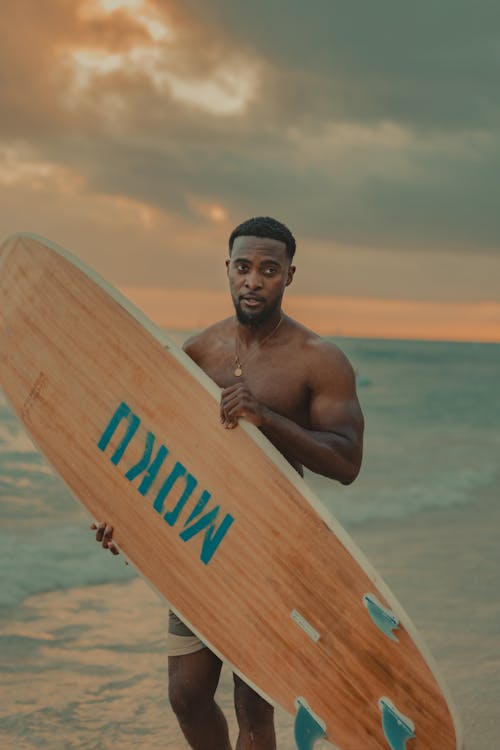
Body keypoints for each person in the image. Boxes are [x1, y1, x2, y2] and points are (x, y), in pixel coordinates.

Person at [92, 216, 364, 750]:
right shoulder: (196, 353)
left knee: (253, 707)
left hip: (274, 550)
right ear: (228, 270)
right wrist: (120, 518)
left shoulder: (320, 360)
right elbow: (157, 454)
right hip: (202, 540)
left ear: (289, 275)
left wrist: (269, 419)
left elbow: (347, 461)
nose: (253, 281)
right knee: (186, 695)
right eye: (243, 268)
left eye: (268, 270)